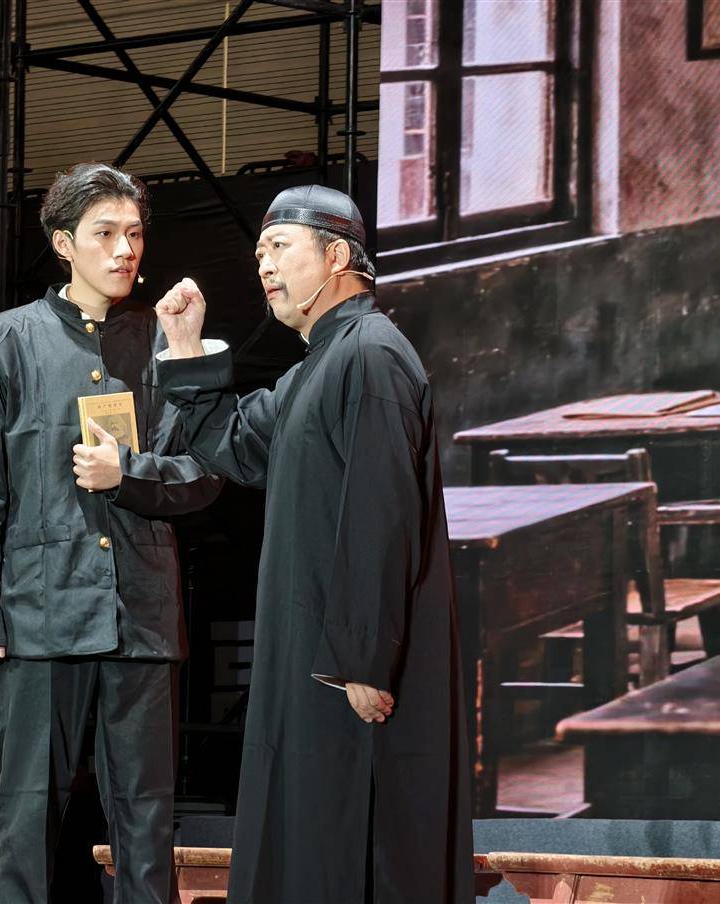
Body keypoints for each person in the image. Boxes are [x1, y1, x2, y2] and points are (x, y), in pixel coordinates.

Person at [152, 185, 471, 904]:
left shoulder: (372, 355)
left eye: (279, 247)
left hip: (347, 669)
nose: (263, 265)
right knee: (301, 840)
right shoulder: (314, 368)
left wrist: (363, 657)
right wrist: (185, 350)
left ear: (336, 257)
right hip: (312, 656)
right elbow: (236, 445)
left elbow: (381, 512)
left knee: (349, 846)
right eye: (258, 252)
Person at [0, 162, 220, 904]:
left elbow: (204, 472)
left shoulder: (163, 343)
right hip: (41, 616)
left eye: (134, 234)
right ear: (64, 243)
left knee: (146, 821)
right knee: (26, 818)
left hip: (142, 618)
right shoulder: (9, 340)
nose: (124, 250)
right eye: (105, 234)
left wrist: (127, 474)